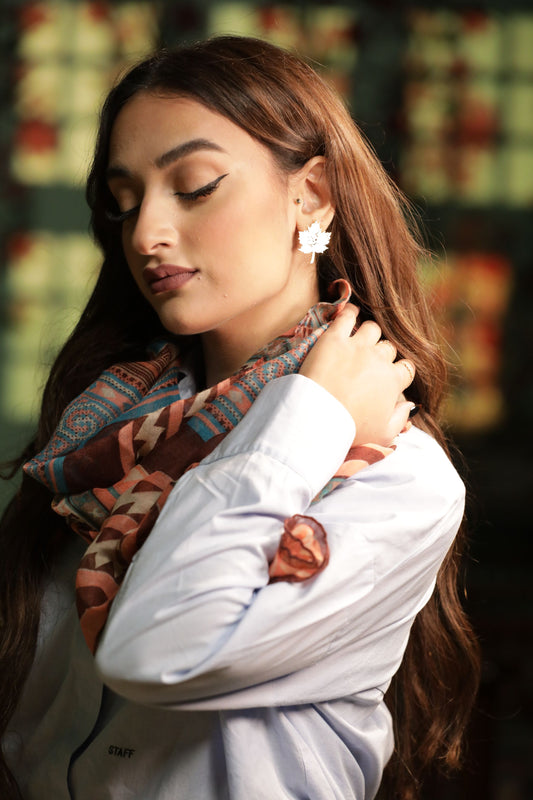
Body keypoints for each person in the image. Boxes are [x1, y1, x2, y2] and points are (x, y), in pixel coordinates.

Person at [0, 35, 480, 800]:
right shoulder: (100, 436)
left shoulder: (394, 473)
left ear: (311, 196)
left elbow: (158, 651)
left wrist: (308, 416)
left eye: (193, 187)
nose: (146, 234)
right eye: (123, 204)